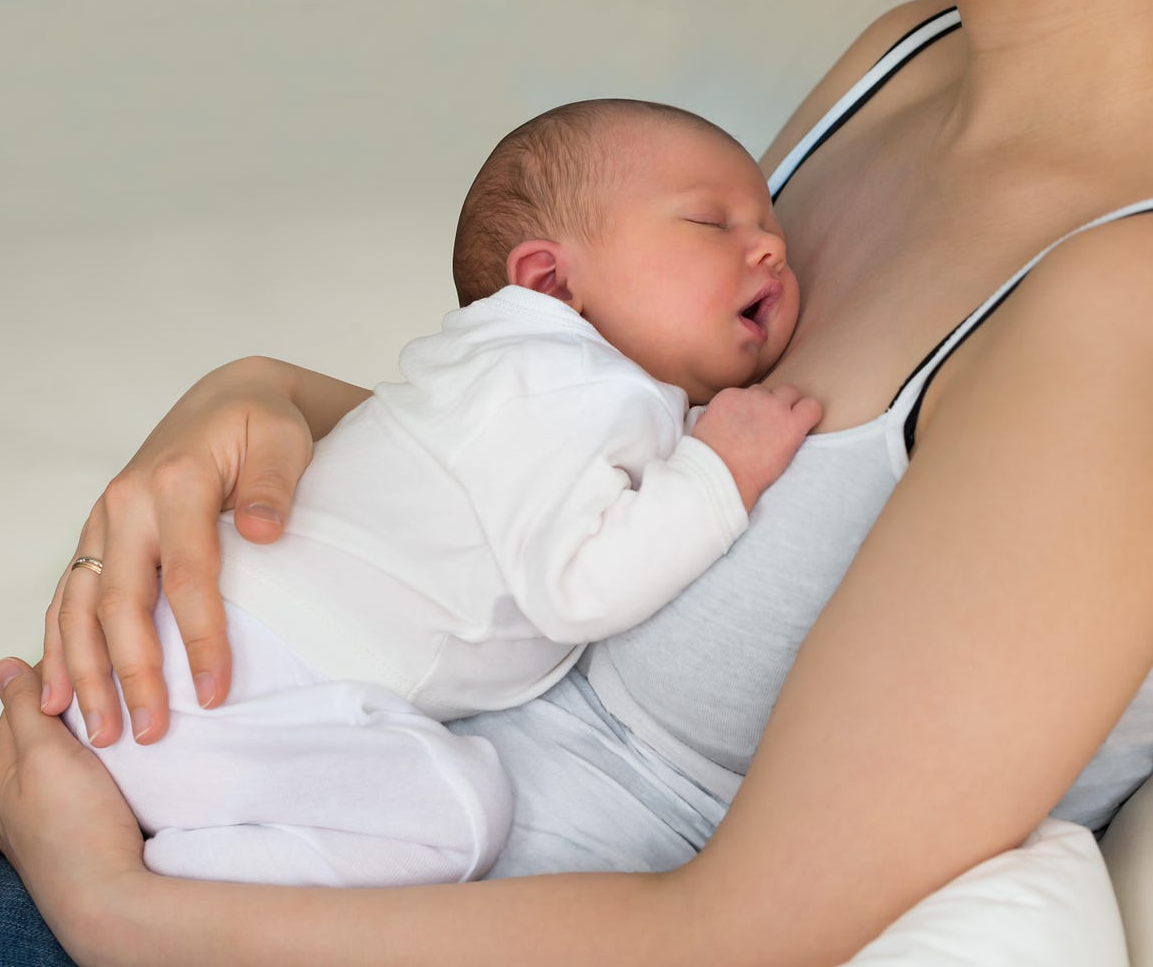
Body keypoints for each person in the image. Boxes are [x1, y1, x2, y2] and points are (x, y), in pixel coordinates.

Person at [0, 0, 1151, 965]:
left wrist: (126, 912)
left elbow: (743, 930)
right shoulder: (918, 54)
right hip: (303, 772)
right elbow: (618, 437)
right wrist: (256, 394)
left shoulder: (1121, 297)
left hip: (356, 913)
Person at [63, 98, 819, 887]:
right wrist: (718, 471)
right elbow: (579, 591)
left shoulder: (491, 372)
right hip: (229, 697)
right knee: (465, 810)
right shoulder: (579, 386)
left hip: (154, 670)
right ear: (551, 281)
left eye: (772, 230)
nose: (768, 245)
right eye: (710, 223)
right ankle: (189, 873)